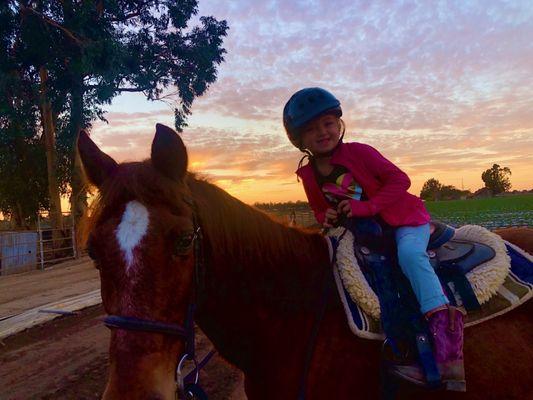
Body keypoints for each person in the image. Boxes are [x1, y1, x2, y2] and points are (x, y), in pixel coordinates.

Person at [283, 87, 466, 391]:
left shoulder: (360, 153)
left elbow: (400, 180)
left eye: (328, 123)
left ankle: (445, 337)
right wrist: (325, 217)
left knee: (409, 256)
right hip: (364, 232)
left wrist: (365, 207)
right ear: (299, 140)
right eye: (311, 129)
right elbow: (319, 209)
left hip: (404, 220)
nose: (322, 132)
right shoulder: (309, 175)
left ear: (339, 124)